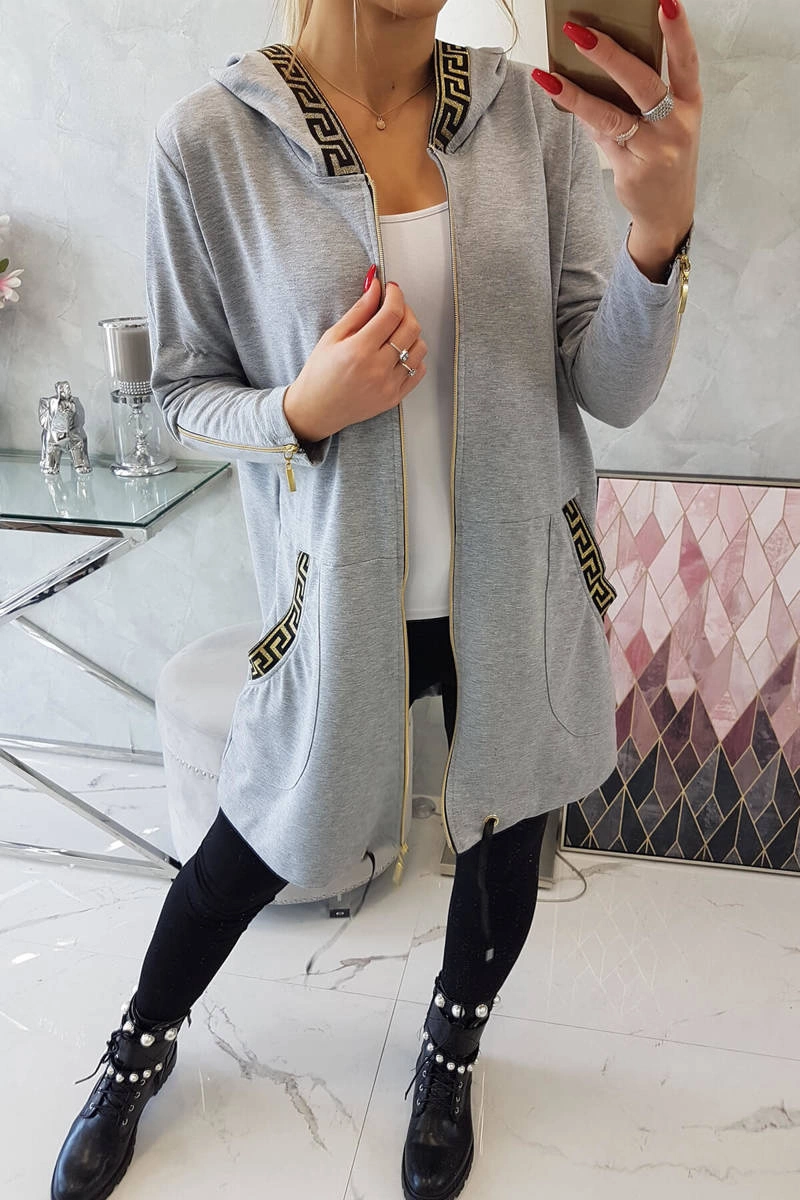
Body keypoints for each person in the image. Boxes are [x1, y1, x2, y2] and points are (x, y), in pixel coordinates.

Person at [50, 0, 701, 1197]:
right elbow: (184, 398)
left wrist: (655, 239)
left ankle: (449, 1046)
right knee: (255, 840)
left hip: (514, 585)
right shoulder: (210, 140)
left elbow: (606, 386)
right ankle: (137, 1045)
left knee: (503, 835)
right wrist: (302, 408)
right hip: (336, 602)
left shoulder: (526, 121)